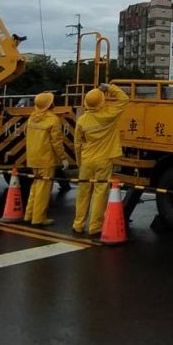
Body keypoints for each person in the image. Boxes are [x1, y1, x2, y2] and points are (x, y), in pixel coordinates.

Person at [73, 82, 129, 239]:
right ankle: (95, 226)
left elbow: (77, 144)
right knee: (100, 193)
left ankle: (78, 224)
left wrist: (79, 162)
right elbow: (124, 99)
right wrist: (108, 88)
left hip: (86, 160)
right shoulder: (109, 115)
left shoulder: (82, 121)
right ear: (102, 101)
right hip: (103, 160)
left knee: (83, 193)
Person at [24, 92, 64, 226]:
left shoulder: (32, 118)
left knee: (35, 186)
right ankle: (38, 218)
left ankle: (29, 214)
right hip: (46, 159)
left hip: (33, 158)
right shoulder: (53, 119)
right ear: (50, 104)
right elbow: (56, 142)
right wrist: (63, 158)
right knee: (43, 189)